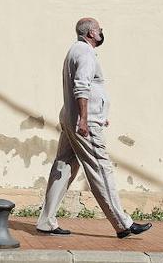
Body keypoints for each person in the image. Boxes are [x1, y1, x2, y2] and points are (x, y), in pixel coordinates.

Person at [35, 17, 152, 239]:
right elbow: (82, 85)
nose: (101, 32)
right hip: (82, 122)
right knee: (100, 168)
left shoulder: (76, 50)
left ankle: (46, 221)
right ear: (90, 33)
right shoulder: (85, 53)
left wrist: (96, 114)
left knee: (64, 166)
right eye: (99, 29)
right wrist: (85, 119)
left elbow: (85, 88)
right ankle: (123, 223)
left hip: (74, 117)